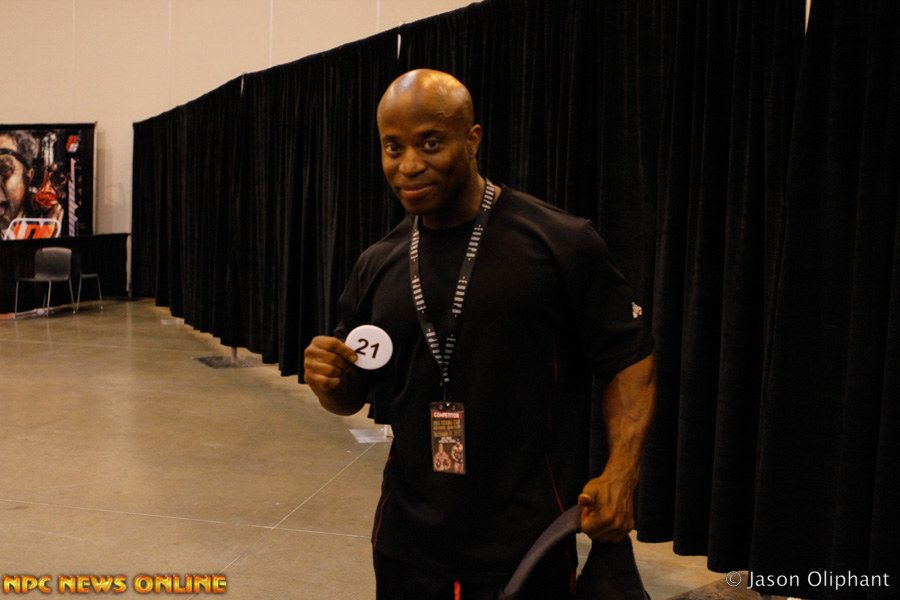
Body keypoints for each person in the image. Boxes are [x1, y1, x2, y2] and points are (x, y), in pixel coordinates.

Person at [304, 69, 656, 599]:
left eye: (430, 143)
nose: (409, 165)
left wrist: (621, 473)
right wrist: (330, 382)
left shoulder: (559, 242)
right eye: (393, 147)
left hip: (528, 543)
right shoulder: (378, 263)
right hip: (405, 544)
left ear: (472, 140)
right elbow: (352, 397)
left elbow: (628, 358)